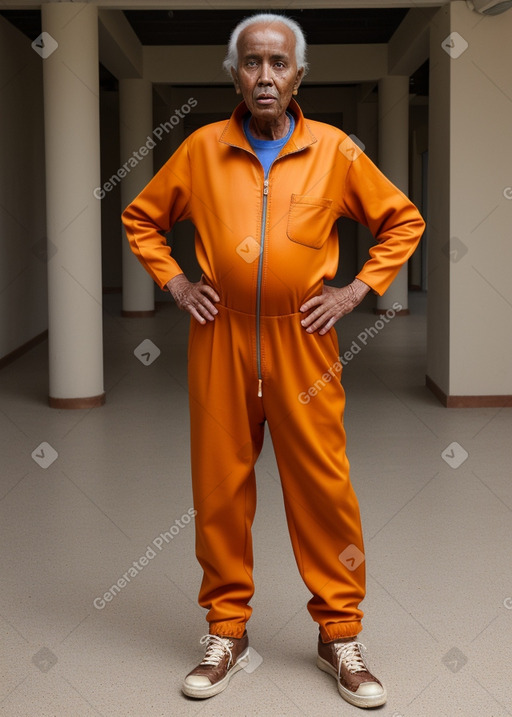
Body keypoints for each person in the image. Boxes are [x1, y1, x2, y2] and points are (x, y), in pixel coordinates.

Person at [122, 12, 425, 709]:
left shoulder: (334, 150)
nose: (265, 76)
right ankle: (226, 628)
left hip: (304, 342)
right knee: (220, 489)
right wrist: (174, 281)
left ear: (298, 76)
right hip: (220, 338)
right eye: (252, 63)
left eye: (278, 64)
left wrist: (354, 291)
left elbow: (402, 219)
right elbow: (141, 215)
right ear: (235, 75)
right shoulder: (201, 149)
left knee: (324, 487)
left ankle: (339, 634)